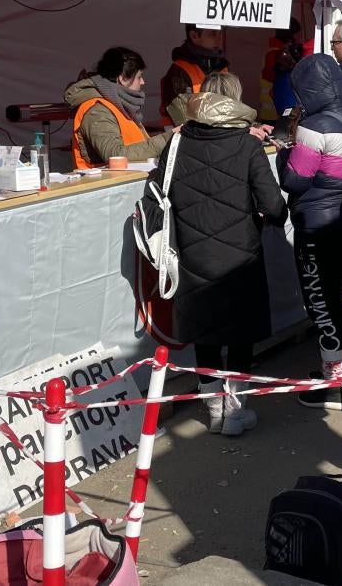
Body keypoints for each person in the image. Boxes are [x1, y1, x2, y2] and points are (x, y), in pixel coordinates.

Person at [146, 73, 287, 435]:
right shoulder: (246, 145)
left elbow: (159, 193)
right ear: (236, 103)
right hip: (241, 256)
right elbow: (273, 204)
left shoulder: (176, 144)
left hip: (191, 253)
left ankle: (213, 410)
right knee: (241, 335)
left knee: (204, 333)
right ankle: (235, 413)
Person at [276, 54, 342, 409]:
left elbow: (294, 180)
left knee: (322, 298)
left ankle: (333, 382)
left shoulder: (314, 127)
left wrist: (283, 153)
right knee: (340, 297)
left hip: (318, 225)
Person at [66, 47, 173, 169]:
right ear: (122, 78)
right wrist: (167, 139)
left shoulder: (118, 106)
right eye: (139, 77)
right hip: (105, 185)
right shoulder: (97, 111)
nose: (142, 82)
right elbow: (115, 155)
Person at [160, 24, 229, 121]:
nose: (219, 39)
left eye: (220, 33)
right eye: (213, 34)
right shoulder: (179, 70)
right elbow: (181, 117)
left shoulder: (222, 67)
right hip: (185, 132)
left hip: (216, 131)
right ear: (194, 36)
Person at [259, 20, 303, 122]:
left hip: (274, 110)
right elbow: (271, 77)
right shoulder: (276, 54)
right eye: (296, 34)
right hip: (275, 112)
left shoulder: (273, 51)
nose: (297, 39)